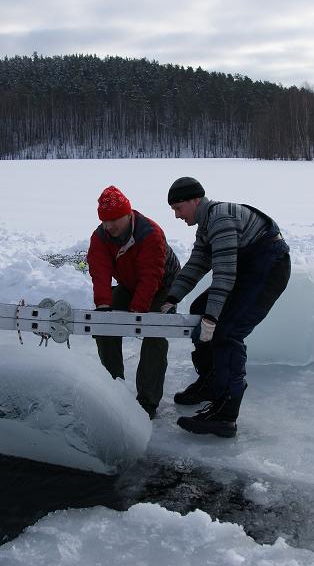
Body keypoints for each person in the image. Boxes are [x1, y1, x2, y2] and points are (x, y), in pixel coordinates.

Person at [162, 177, 291, 438]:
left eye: (178, 208)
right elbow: (197, 265)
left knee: (228, 332)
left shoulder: (220, 220)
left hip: (269, 268)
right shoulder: (206, 224)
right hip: (248, 268)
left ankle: (225, 414)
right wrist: (171, 298)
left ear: (195, 200)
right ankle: (211, 383)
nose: (176, 215)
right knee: (200, 307)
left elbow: (224, 274)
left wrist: (212, 319)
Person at [87, 185, 181, 419]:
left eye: (113, 220)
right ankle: (113, 387)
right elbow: (100, 272)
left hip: (163, 285)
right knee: (103, 324)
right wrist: (103, 306)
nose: (108, 226)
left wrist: (137, 313)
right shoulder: (100, 237)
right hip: (129, 284)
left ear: (128, 214)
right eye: (104, 221)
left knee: (154, 331)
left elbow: (151, 277)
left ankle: (147, 402)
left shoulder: (150, 233)